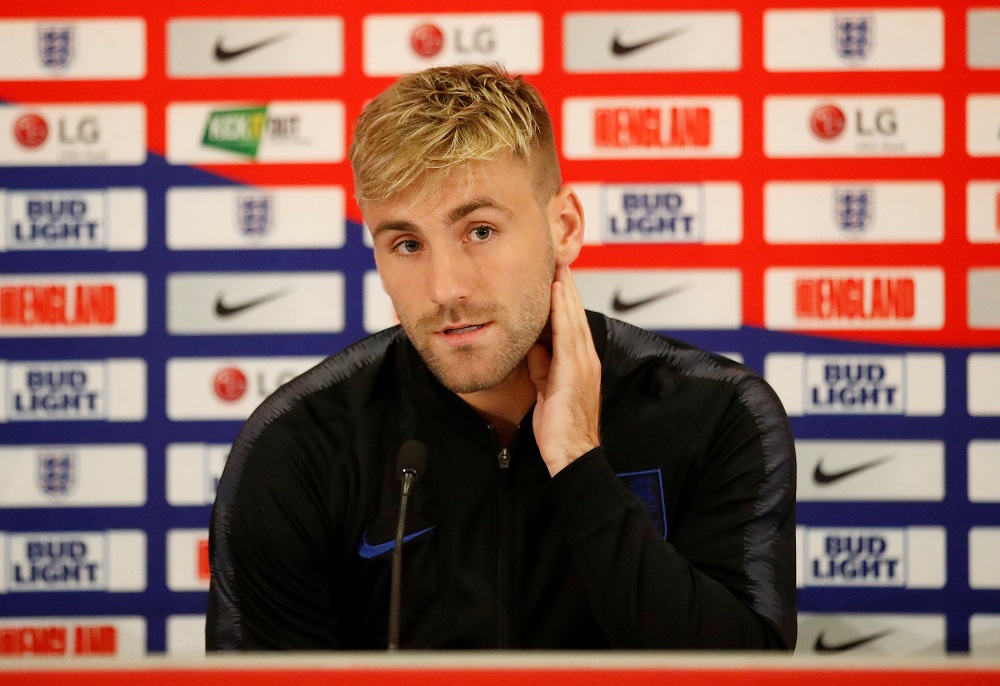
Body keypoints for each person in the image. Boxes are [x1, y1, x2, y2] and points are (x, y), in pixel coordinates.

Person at [206, 64, 797, 651]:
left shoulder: (718, 415)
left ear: (563, 227)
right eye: (407, 244)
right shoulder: (297, 446)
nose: (445, 288)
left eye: (480, 231)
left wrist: (578, 463)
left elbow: (746, 670)